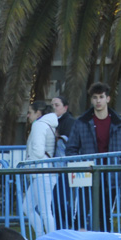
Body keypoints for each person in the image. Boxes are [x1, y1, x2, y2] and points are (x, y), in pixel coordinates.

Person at [65, 82, 121, 232]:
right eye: (95, 97)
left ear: (108, 99)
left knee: (105, 216)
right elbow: (71, 149)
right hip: (86, 175)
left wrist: (119, 168)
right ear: (91, 100)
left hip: (110, 177)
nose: (98, 101)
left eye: (101, 97)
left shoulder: (120, 124)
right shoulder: (81, 123)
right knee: (81, 215)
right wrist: (80, 163)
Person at [24, 100, 58, 237]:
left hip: (41, 172)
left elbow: (37, 151)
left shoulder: (38, 125)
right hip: (44, 172)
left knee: (44, 211)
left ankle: (51, 239)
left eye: (30, 112)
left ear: (38, 113)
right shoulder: (48, 125)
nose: (28, 116)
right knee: (27, 207)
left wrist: (27, 163)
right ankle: (42, 236)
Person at [51, 96, 76, 229]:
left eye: (57, 105)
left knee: (59, 201)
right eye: (52, 105)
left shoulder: (70, 122)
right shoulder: (53, 122)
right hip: (57, 169)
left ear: (65, 107)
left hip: (65, 169)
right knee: (56, 202)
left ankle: (69, 224)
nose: (54, 108)